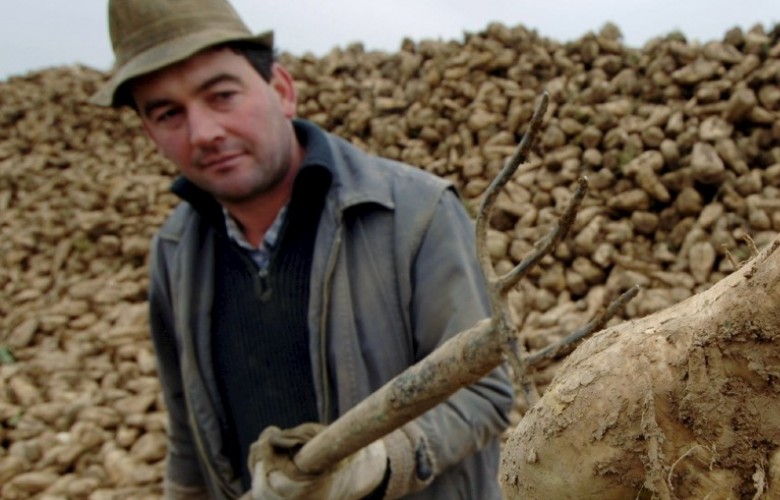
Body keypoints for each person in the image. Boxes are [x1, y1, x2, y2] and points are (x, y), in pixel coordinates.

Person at [89, 0, 513, 498]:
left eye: (222, 96)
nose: (203, 133)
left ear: (281, 91)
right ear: (149, 132)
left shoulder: (416, 213)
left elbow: (483, 391)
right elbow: (188, 430)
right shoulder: (175, 250)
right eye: (168, 114)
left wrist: (377, 464)